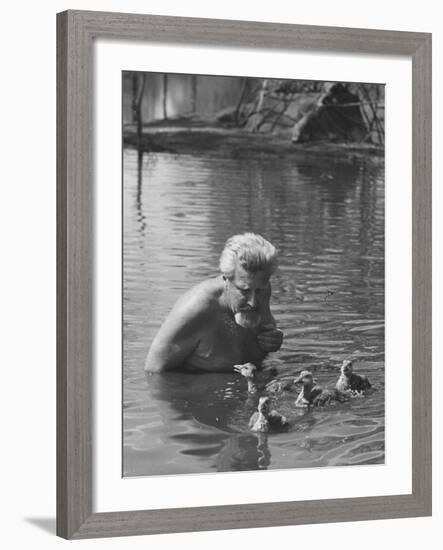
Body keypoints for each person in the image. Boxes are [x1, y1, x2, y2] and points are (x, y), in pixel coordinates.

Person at [144, 233, 283, 373]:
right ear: (226, 279)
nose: (253, 302)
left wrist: (272, 340)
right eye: (243, 291)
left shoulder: (262, 288)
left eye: (259, 290)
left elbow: (265, 332)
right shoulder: (196, 307)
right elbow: (153, 374)